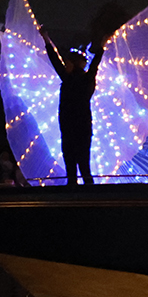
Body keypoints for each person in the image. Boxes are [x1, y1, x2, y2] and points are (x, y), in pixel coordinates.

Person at [39, 26, 106, 185]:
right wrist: (102, 47)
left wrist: (46, 40)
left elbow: (54, 60)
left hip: (69, 127)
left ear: (73, 64)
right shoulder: (85, 80)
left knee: (72, 168)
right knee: (84, 166)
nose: (65, 64)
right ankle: (90, 197)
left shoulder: (69, 80)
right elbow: (94, 66)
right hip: (82, 127)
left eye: (67, 62)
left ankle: (73, 197)